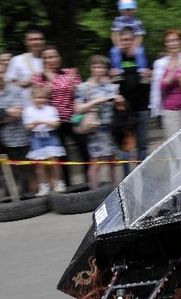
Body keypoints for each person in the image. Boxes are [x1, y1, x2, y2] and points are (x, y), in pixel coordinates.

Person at [32, 45, 84, 182]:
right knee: (61, 156)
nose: (51, 60)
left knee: (83, 150)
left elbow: (78, 93)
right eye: (47, 57)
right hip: (53, 122)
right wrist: (51, 80)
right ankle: (66, 187)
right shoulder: (38, 77)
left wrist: (68, 83)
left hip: (73, 118)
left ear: (59, 58)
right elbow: (40, 96)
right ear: (42, 60)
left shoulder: (69, 72)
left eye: (53, 56)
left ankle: (90, 185)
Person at [0, 61, 30, 196]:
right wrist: (8, 111)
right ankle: (10, 197)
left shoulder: (16, 90)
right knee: (4, 169)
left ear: (5, 73)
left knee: (22, 168)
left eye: (0, 72)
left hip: (17, 136)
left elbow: (18, 114)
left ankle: (26, 196)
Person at [75, 55, 125, 189]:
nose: (99, 69)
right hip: (95, 129)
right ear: (90, 68)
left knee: (113, 162)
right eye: (95, 66)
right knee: (95, 162)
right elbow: (78, 108)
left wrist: (120, 101)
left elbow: (121, 109)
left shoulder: (112, 87)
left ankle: (116, 189)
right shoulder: (83, 87)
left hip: (110, 129)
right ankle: (94, 191)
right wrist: (96, 101)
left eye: (102, 67)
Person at [110, 27, 152, 165]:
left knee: (142, 145)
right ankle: (126, 179)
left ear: (134, 40)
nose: (125, 42)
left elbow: (153, 77)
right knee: (125, 145)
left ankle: (143, 174)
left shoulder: (143, 55)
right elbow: (107, 82)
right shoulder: (115, 58)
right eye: (122, 40)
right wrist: (111, 76)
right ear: (118, 41)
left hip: (142, 106)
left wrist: (149, 75)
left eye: (128, 39)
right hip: (124, 109)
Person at [23, 86, 66, 195]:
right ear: (32, 98)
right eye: (37, 97)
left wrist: (44, 122)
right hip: (36, 137)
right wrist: (35, 124)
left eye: (42, 97)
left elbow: (56, 123)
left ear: (46, 98)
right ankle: (44, 185)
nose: (40, 100)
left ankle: (58, 183)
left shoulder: (51, 109)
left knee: (54, 161)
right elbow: (28, 126)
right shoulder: (28, 111)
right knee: (40, 164)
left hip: (51, 136)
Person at [5, 29, 45, 104]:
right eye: (33, 40)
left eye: (40, 39)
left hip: (48, 108)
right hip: (25, 107)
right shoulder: (17, 60)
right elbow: (8, 84)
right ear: (26, 42)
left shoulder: (50, 60)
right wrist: (24, 83)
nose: (37, 42)